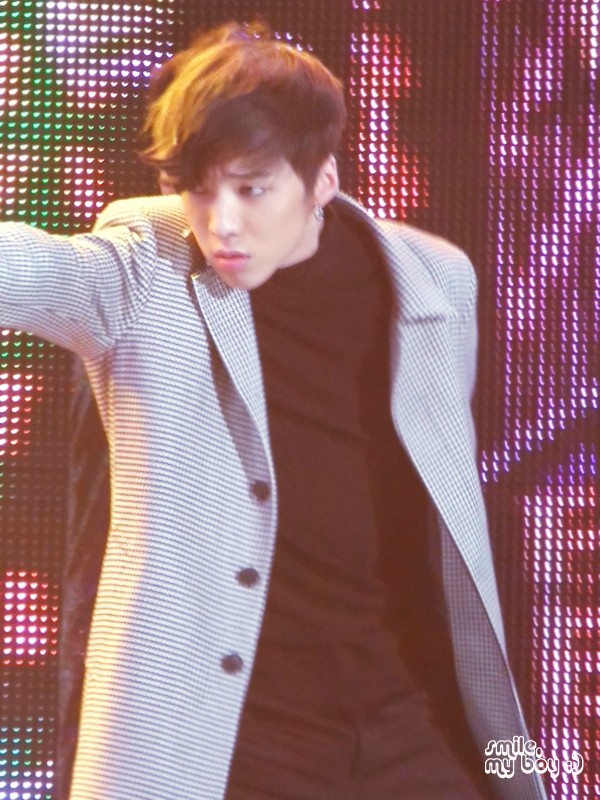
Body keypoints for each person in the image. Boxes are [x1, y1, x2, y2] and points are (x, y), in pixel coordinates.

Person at [0, 21, 547, 800]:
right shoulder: (147, 265)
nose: (221, 222)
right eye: (198, 187)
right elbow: (25, 269)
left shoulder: (435, 281)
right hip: (241, 738)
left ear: (322, 181)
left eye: (252, 189)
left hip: (413, 720)